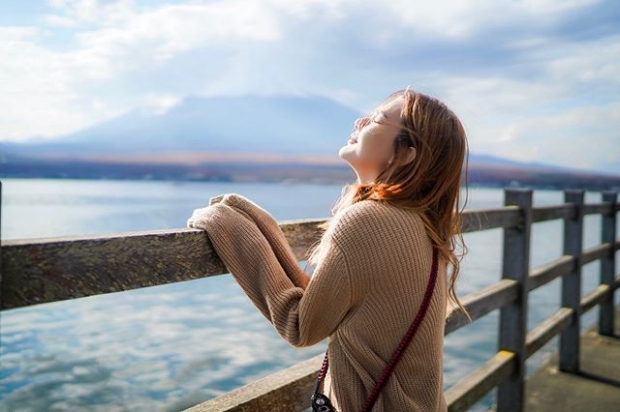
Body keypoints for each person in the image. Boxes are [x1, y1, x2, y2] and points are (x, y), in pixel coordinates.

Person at [187, 88, 469, 411]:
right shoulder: (423, 226)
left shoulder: (367, 220)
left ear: (406, 154)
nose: (360, 120)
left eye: (377, 119)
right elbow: (325, 302)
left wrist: (227, 225)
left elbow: (301, 325)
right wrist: (256, 221)